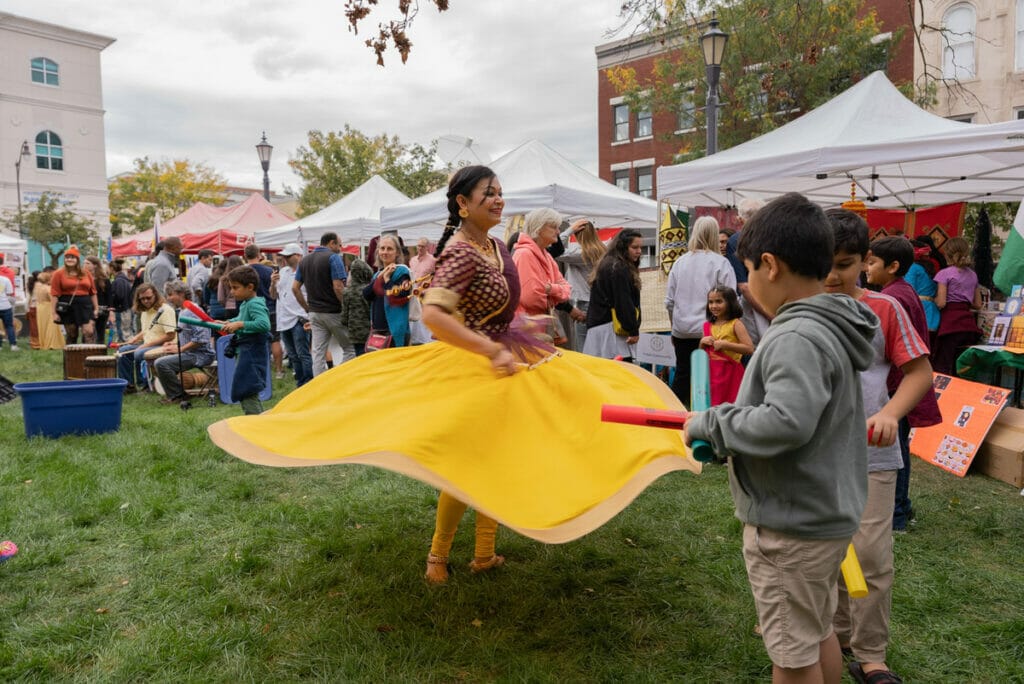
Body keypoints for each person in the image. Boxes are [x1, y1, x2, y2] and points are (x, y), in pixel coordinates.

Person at [207, 165, 699, 587]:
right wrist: (491, 348)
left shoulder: (497, 249)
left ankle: (484, 553)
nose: (500, 199)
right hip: (473, 367)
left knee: (499, 456)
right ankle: (438, 555)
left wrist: (528, 330)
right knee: (468, 462)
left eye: (501, 192)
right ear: (463, 204)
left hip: (510, 360)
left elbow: (500, 310)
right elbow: (439, 317)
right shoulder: (461, 251)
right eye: (490, 193)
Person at [685, 193, 879, 684]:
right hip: (822, 514)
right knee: (815, 634)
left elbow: (786, 422)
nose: (746, 283)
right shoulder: (830, 323)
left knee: (792, 658)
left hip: (791, 528)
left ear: (769, 265)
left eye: (747, 270)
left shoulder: (796, 336)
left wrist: (713, 424)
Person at [825, 211, 934, 684]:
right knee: (821, 552)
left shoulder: (884, 310)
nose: (832, 276)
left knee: (870, 553)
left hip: (872, 455)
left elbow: (920, 373)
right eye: (822, 265)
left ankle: (870, 653)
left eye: (845, 264)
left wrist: (891, 412)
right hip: (812, 458)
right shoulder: (795, 308)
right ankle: (833, 634)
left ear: (866, 262)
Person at [864, 236, 943, 533]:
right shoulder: (900, 291)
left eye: (871, 262)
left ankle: (895, 516)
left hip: (897, 388)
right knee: (898, 449)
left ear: (893, 266)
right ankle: (903, 509)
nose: (866, 268)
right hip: (899, 385)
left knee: (893, 452)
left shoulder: (893, 299)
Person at [665, 216, 736, 405]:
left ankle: (674, 416)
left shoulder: (680, 262)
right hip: (711, 329)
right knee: (711, 378)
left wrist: (674, 326)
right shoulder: (721, 263)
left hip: (682, 329)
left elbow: (669, 301)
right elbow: (731, 299)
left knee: (682, 375)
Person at [293, 232, 354, 375]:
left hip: (314, 313)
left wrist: (307, 308)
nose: (340, 248)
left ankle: (318, 389)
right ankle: (339, 378)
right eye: (339, 245)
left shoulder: (304, 260)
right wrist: (347, 308)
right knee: (350, 349)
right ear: (331, 243)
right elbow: (338, 287)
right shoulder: (333, 258)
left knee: (318, 354)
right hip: (334, 311)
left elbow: (295, 288)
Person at [512, 208, 573, 346]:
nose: (558, 232)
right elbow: (530, 298)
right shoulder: (525, 254)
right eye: (553, 227)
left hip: (539, 328)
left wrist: (550, 289)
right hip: (527, 330)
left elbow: (567, 290)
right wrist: (555, 294)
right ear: (538, 228)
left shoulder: (545, 255)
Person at [217, 265, 271, 415]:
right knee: (245, 387)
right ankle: (254, 419)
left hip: (253, 353)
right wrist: (228, 322)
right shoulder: (246, 303)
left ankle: (256, 422)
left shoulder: (254, 303)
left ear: (250, 287)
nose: (232, 292)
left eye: (235, 288)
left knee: (247, 388)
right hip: (246, 351)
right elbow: (242, 318)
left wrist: (239, 324)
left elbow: (264, 324)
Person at [583, 229, 643, 360]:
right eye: (634, 247)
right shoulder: (618, 268)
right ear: (623, 247)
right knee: (619, 375)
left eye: (640, 247)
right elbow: (623, 302)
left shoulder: (609, 263)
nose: (639, 251)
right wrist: (632, 329)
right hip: (611, 330)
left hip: (602, 328)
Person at [153, 280, 216, 404]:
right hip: (191, 353)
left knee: (161, 363)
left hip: (201, 355)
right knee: (160, 360)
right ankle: (176, 392)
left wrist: (180, 350)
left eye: (170, 294)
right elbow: (188, 334)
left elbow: (201, 338)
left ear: (181, 294)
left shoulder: (191, 311)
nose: (168, 298)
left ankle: (178, 396)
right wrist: (174, 345)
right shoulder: (183, 310)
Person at [932, 236, 982, 375]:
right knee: (963, 366)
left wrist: (932, 299)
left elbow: (941, 302)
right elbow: (978, 304)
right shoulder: (973, 275)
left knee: (944, 366)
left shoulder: (944, 274)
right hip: (968, 324)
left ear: (947, 254)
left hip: (950, 324)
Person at [726, 198, 772, 346]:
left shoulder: (735, 241)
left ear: (740, 219)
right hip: (776, 299)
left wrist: (767, 314)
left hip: (753, 303)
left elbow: (744, 286)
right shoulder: (775, 236)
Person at [116, 283, 176, 394]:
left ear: (155, 295)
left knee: (139, 353)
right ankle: (128, 385)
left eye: (148, 298)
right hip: (149, 344)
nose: (146, 301)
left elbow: (170, 335)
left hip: (165, 345)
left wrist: (146, 345)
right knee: (122, 352)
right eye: (142, 299)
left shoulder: (165, 310)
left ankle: (145, 385)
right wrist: (136, 338)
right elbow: (147, 330)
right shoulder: (145, 311)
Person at [557, 218, 605, 352]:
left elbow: (554, 248)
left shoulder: (581, 253)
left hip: (584, 303)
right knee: (596, 347)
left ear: (578, 234)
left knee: (584, 349)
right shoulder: (600, 249)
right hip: (597, 302)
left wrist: (569, 230)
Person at [700, 285, 753, 405]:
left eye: (719, 301)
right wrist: (701, 343)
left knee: (730, 406)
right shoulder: (707, 326)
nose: (713, 306)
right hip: (711, 375)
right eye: (711, 302)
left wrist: (726, 345)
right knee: (712, 405)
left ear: (730, 303)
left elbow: (749, 349)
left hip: (731, 375)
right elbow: (702, 355)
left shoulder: (736, 324)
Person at [270, 243, 313, 386]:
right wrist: (272, 283)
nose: (286, 259)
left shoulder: (306, 272)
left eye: (289, 256)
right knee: (293, 355)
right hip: (283, 319)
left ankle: (308, 382)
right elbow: (273, 295)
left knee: (302, 353)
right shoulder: (283, 272)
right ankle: (301, 382)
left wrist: (308, 313)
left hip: (299, 318)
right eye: (285, 256)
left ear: (298, 255)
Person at [364, 234, 412, 348]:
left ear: (397, 252)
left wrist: (387, 280)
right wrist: (381, 276)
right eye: (382, 248)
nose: (385, 252)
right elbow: (366, 294)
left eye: (389, 249)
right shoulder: (377, 274)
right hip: (378, 331)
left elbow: (400, 297)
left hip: (394, 331)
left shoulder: (402, 272)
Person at [245, 244, 283, 379]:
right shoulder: (268, 271)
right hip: (270, 308)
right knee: (275, 340)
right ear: (259, 255)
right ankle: (278, 371)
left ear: (245, 256)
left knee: (256, 341)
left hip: (251, 310)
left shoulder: (243, 273)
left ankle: (260, 370)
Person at [50, 245, 98, 345]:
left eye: (72, 257)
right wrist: (54, 313)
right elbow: (54, 294)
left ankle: (89, 358)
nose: (69, 259)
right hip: (68, 305)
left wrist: (96, 308)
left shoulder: (86, 273)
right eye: (67, 257)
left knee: (89, 332)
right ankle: (71, 359)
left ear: (77, 259)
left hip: (85, 305)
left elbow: (93, 292)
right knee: (72, 334)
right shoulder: (58, 273)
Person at [906, 240, 940, 346]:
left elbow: (909, 291)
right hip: (933, 311)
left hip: (919, 310)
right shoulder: (930, 268)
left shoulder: (912, 268)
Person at [341, 258, 373, 356]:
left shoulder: (347, 292)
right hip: (370, 331)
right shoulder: (369, 290)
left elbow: (344, 317)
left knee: (359, 355)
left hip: (355, 333)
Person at [32, 270, 64, 350]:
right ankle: (52, 343)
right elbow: (52, 299)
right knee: (52, 325)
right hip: (48, 307)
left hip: (40, 307)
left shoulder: (37, 287)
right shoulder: (48, 288)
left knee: (43, 325)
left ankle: (43, 342)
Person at [85, 256, 112, 346]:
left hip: (102, 310)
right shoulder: (83, 279)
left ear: (95, 265)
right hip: (87, 309)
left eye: (87, 263)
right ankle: (85, 351)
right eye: (84, 263)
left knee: (100, 333)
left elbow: (109, 296)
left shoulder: (104, 279)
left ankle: (100, 352)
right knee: (88, 332)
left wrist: (110, 311)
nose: (84, 265)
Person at [110, 260, 136, 342]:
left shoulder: (119, 281)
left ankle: (124, 351)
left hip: (121, 310)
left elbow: (119, 296)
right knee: (127, 331)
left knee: (123, 333)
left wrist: (113, 304)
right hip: (127, 309)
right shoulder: (124, 279)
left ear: (112, 268)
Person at [0, 273, 16, 351]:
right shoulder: (5, 279)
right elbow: (10, 293)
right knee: (9, 326)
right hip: (5, 306)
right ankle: (13, 345)